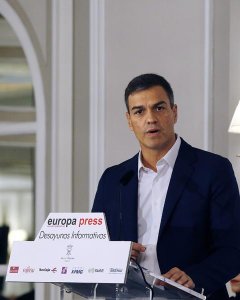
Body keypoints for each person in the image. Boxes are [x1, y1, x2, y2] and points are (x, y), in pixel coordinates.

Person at [92, 73, 240, 300]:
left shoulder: (213, 170)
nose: (150, 118)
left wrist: (195, 276)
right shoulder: (113, 179)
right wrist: (114, 255)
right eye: (139, 111)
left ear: (174, 112)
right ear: (129, 121)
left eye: (159, 108)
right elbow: (95, 248)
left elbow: (233, 248)